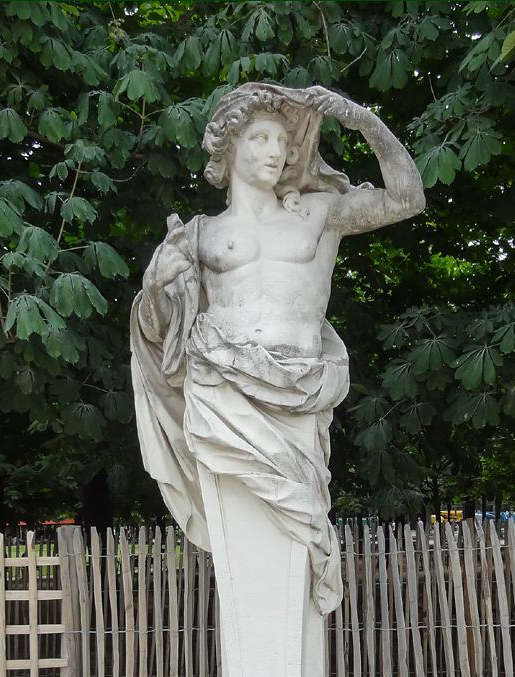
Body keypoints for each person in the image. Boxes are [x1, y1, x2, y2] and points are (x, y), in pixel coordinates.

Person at [130, 82, 425, 615]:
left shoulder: (318, 212)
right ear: (229, 147)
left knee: (301, 528)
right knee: (251, 553)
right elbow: (159, 336)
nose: (275, 151)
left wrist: (364, 120)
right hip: (224, 398)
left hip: (301, 395)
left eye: (283, 141)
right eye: (260, 137)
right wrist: (155, 287)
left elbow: (407, 198)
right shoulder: (198, 236)